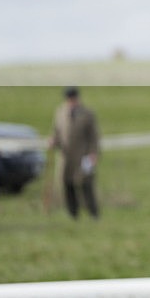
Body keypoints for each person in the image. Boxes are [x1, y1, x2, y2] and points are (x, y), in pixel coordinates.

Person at [50, 86, 100, 219]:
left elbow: (94, 136)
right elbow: (56, 131)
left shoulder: (87, 114)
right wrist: (54, 141)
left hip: (83, 155)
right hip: (66, 156)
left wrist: (93, 153)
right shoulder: (60, 112)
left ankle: (93, 213)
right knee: (67, 183)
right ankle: (73, 213)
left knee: (86, 183)